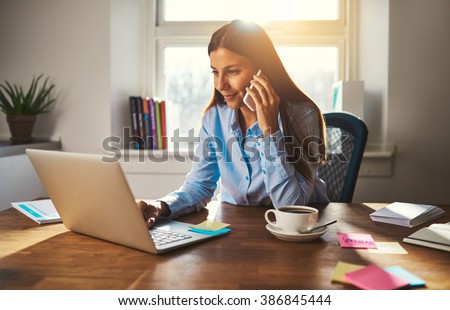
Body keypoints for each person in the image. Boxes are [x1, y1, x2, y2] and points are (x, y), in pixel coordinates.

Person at [138, 20, 329, 228]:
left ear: (262, 72)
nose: (221, 84)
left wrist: (269, 129)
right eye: (215, 72)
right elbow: (199, 186)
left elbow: (290, 206)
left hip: (296, 233)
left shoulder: (301, 115)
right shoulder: (214, 117)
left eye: (232, 72)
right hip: (233, 228)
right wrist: (160, 206)